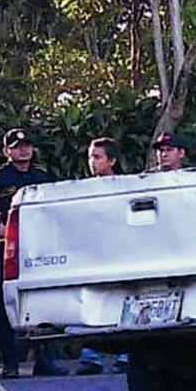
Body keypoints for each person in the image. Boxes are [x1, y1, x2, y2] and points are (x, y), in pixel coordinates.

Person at [0, 129, 66, 377]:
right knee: (6, 304)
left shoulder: (42, 176)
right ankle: (11, 364)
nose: (23, 150)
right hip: (8, 249)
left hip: (38, 249)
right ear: (7, 152)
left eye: (26, 145)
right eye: (16, 146)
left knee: (44, 302)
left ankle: (45, 361)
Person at [75, 138, 129, 376]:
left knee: (124, 302)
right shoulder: (84, 189)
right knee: (93, 303)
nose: (93, 162)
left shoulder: (126, 186)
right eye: (90, 157)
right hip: (93, 254)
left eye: (98, 157)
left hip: (121, 252)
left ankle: (126, 354)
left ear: (112, 160)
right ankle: (91, 356)